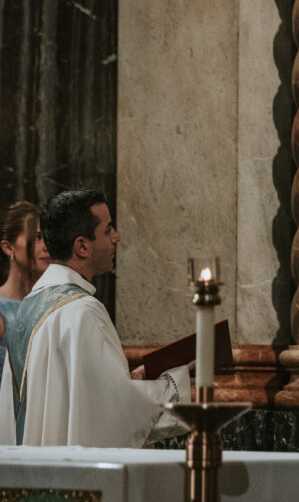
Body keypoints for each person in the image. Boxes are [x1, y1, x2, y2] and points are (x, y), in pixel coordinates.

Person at [0, 190, 188, 447]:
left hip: (36, 472)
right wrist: (172, 383)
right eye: (108, 229)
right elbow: (116, 413)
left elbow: (78, 397)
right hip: (74, 478)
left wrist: (125, 379)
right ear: (82, 246)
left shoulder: (29, 308)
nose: (116, 237)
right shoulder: (82, 311)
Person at [0, 201, 51, 373]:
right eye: (36, 238)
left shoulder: (52, 302)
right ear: (8, 247)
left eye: (47, 236)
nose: (46, 246)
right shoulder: (2, 310)